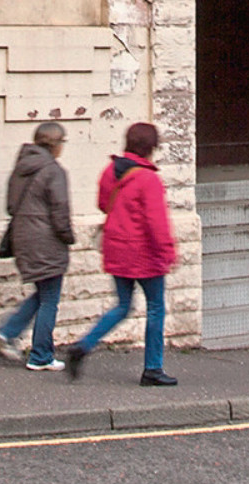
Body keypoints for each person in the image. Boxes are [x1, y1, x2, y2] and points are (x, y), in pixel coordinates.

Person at [65, 120, 178, 386]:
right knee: (155, 308)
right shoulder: (148, 179)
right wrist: (168, 252)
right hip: (145, 255)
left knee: (123, 306)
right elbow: (156, 222)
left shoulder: (110, 171)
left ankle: (83, 346)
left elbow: (104, 203)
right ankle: (152, 368)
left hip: (116, 249)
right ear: (151, 147)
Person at [0, 121, 74, 370]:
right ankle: (41, 356)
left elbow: (11, 206)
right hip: (47, 242)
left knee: (43, 294)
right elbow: (60, 211)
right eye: (62, 142)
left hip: (23, 239)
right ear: (55, 144)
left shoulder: (22, 168)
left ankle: (8, 331)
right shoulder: (54, 171)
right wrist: (68, 236)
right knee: (50, 299)